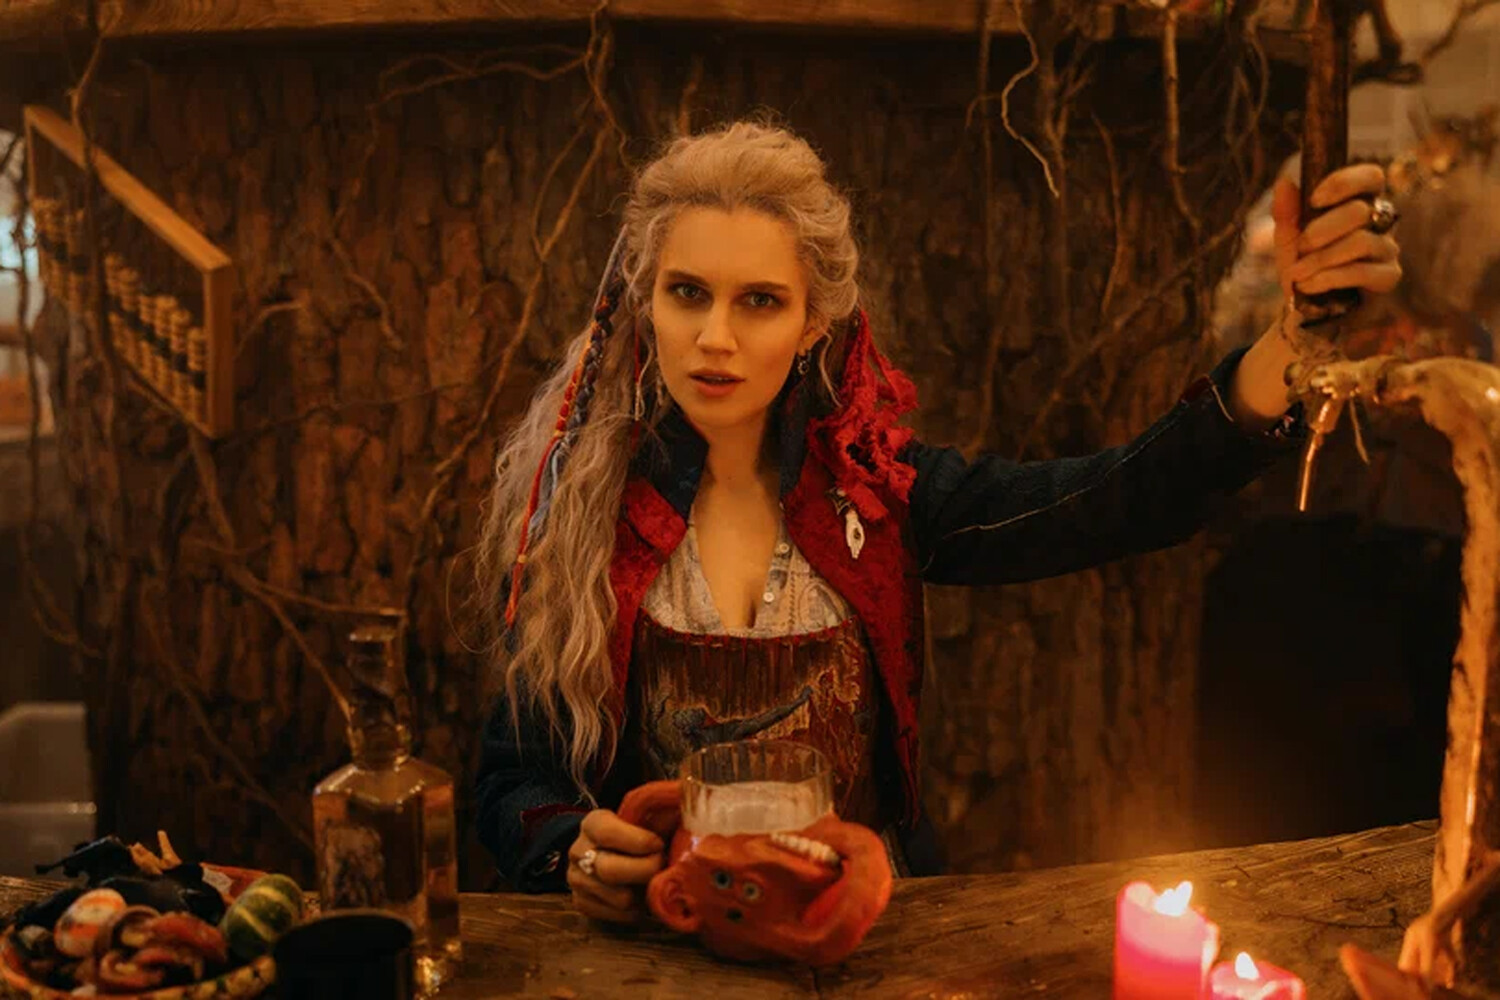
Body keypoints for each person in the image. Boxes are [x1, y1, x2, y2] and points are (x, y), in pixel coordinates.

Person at [473, 120, 1402, 922]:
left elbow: (1111, 500)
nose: (716, 337)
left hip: (866, 934)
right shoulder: (580, 513)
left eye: (759, 300)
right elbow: (515, 782)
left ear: (813, 322)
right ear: (647, 304)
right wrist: (574, 853)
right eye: (688, 293)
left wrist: (1295, 339)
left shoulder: (880, 496)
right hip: (665, 947)